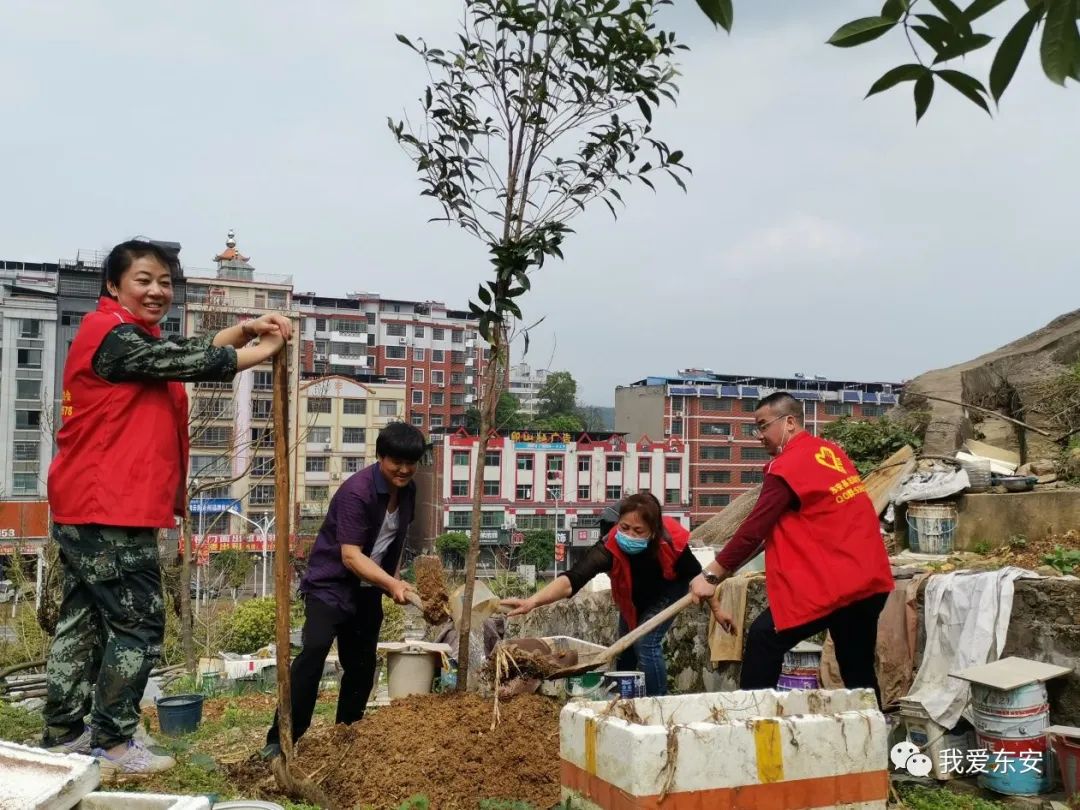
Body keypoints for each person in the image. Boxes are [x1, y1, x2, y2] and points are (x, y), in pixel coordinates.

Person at [43, 239, 291, 774]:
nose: (157, 291)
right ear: (113, 285)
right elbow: (197, 357)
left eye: (165, 282)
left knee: (82, 620)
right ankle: (112, 741)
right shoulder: (113, 338)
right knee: (139, 623)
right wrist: (260, 351)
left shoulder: (125, 336)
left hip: (89, 502)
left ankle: (63, 732)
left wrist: (246, 329)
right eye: (143, 280)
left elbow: (190, 347)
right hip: (109, 506)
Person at [689, 392, 894, 703]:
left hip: (837, 585)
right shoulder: (830, 453)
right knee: (859, 674)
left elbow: (754, 529)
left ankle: (753, 725)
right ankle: (872, 736)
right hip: (867, 579)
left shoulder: (786, 466)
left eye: (762, 426)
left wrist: (712, 575)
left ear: (789, 422)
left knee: (763, 639)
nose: (759, 436)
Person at [264, 421, 426, 756]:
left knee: (362, 666)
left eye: (411, 463)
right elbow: (351, 556)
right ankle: (281, 741)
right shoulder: (357, 492)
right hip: (330, 586)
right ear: (381, 457)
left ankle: (346, 734)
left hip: (368, 590)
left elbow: (388, 544)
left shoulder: (409, 492)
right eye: (397, 462)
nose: (404, 469)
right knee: (314, 652)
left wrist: (392, 582)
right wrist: (392, 583)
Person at [501, 493, 701, 696]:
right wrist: (532, 601)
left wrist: (717, 608)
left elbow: (698, 577)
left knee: (646, 642)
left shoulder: (670, 540)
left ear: (653, 532)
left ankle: (659, 702)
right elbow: (572, 580)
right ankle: (624, 700)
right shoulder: (609, 546)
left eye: (638, 530)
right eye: (624, 527)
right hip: (631, 597)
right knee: (625, 647)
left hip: (668, 591)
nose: (629, 535)